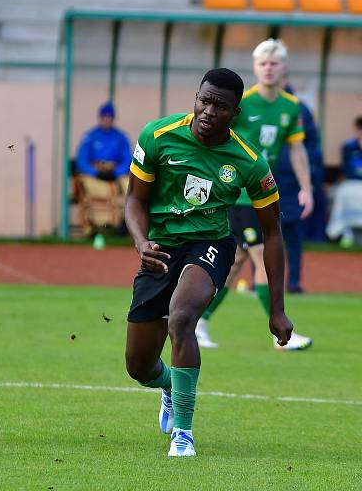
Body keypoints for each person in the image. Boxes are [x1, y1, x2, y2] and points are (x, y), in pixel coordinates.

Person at [124, 68, 294, 457]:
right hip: (160, 247)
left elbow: (272, 233)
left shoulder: (250, 162)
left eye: (220, 106)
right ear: (195, 97)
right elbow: (135, 200)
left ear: (234, 112)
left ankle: (183, 434)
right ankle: (169, 385)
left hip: (210, 244)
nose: (208, 111)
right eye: (204, 100)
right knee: (138, 365)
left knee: (183, 317)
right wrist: (140, 242)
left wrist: (278, 310)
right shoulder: (158, 135)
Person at [195, 39, 313, 351]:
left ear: (284, 67)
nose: (269, 68)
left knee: (235, 264)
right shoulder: (241, 103)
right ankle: (280, 335)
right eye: (263, 63)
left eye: (274, 63)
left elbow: (297, 149)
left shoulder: (291, 107)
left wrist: (306, 188)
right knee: (264, 256)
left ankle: (197, 321)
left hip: (264, 193)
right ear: (255, 68)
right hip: (239, 193)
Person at [275, 84, 325, 293]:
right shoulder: (257, 106)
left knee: (292, 235)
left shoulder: (300, 109)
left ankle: (294, 281)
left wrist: (310, 177)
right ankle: (260, 281)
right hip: (270, 180)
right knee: (264, 237)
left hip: (293, 183)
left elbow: (312, 143)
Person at [74, 101, 132, 237]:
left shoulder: (121, 137)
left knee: (129, 186)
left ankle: (122, 224)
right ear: (100, 118)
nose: (107, 120)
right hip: (95, 175)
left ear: (113, 118)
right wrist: (95, 172)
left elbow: (128, 159)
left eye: (109, 117)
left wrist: (116, 172)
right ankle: (95, 226)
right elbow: (81, 160)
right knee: (91, 188)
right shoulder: (90, 136)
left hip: (115, 174)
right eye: (104, 117)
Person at [326, 115, 362, 247]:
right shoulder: (348, 147)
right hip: (351, 183)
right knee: (341, 193)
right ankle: (344, 232)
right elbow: (347, 170)